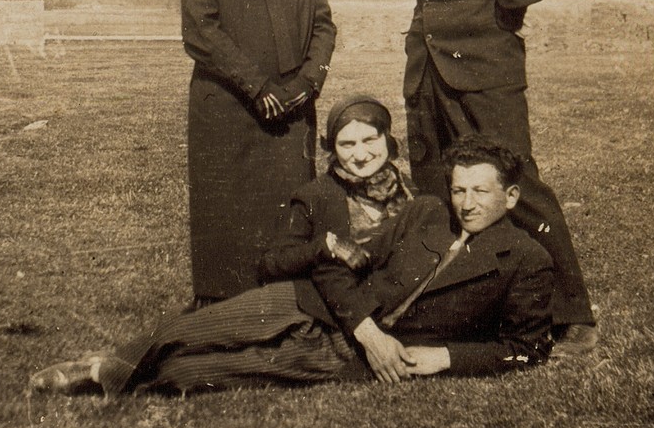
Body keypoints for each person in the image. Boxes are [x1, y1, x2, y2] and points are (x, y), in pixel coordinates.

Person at [28, 133, 553, 396]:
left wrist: (444, 359)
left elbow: (526, 352)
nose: (466, 202)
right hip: (318, 303)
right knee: (189, 328)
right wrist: (368, 328)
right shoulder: (426, 214)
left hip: (341, 355)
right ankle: (103, 365)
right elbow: (336, 264)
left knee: (194, 372)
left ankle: (109, 378)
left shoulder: (526, 260)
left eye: (481, 191)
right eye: (460, 188)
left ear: (509, 197)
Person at [386, 0, 598, 356]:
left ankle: (573, 314)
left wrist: (502, 8)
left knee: (514, 186)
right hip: (429, 71)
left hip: (485, 69)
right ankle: (451, 309)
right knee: (437, 187)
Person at [179, 0, 337, 303]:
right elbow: (200, 28)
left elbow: (324, 24)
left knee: (289, 208)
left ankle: (288, 304)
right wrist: (256, 85)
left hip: (291, 106)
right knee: (226, 213)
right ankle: (222, 309)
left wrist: (310, 81)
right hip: (228, 106)